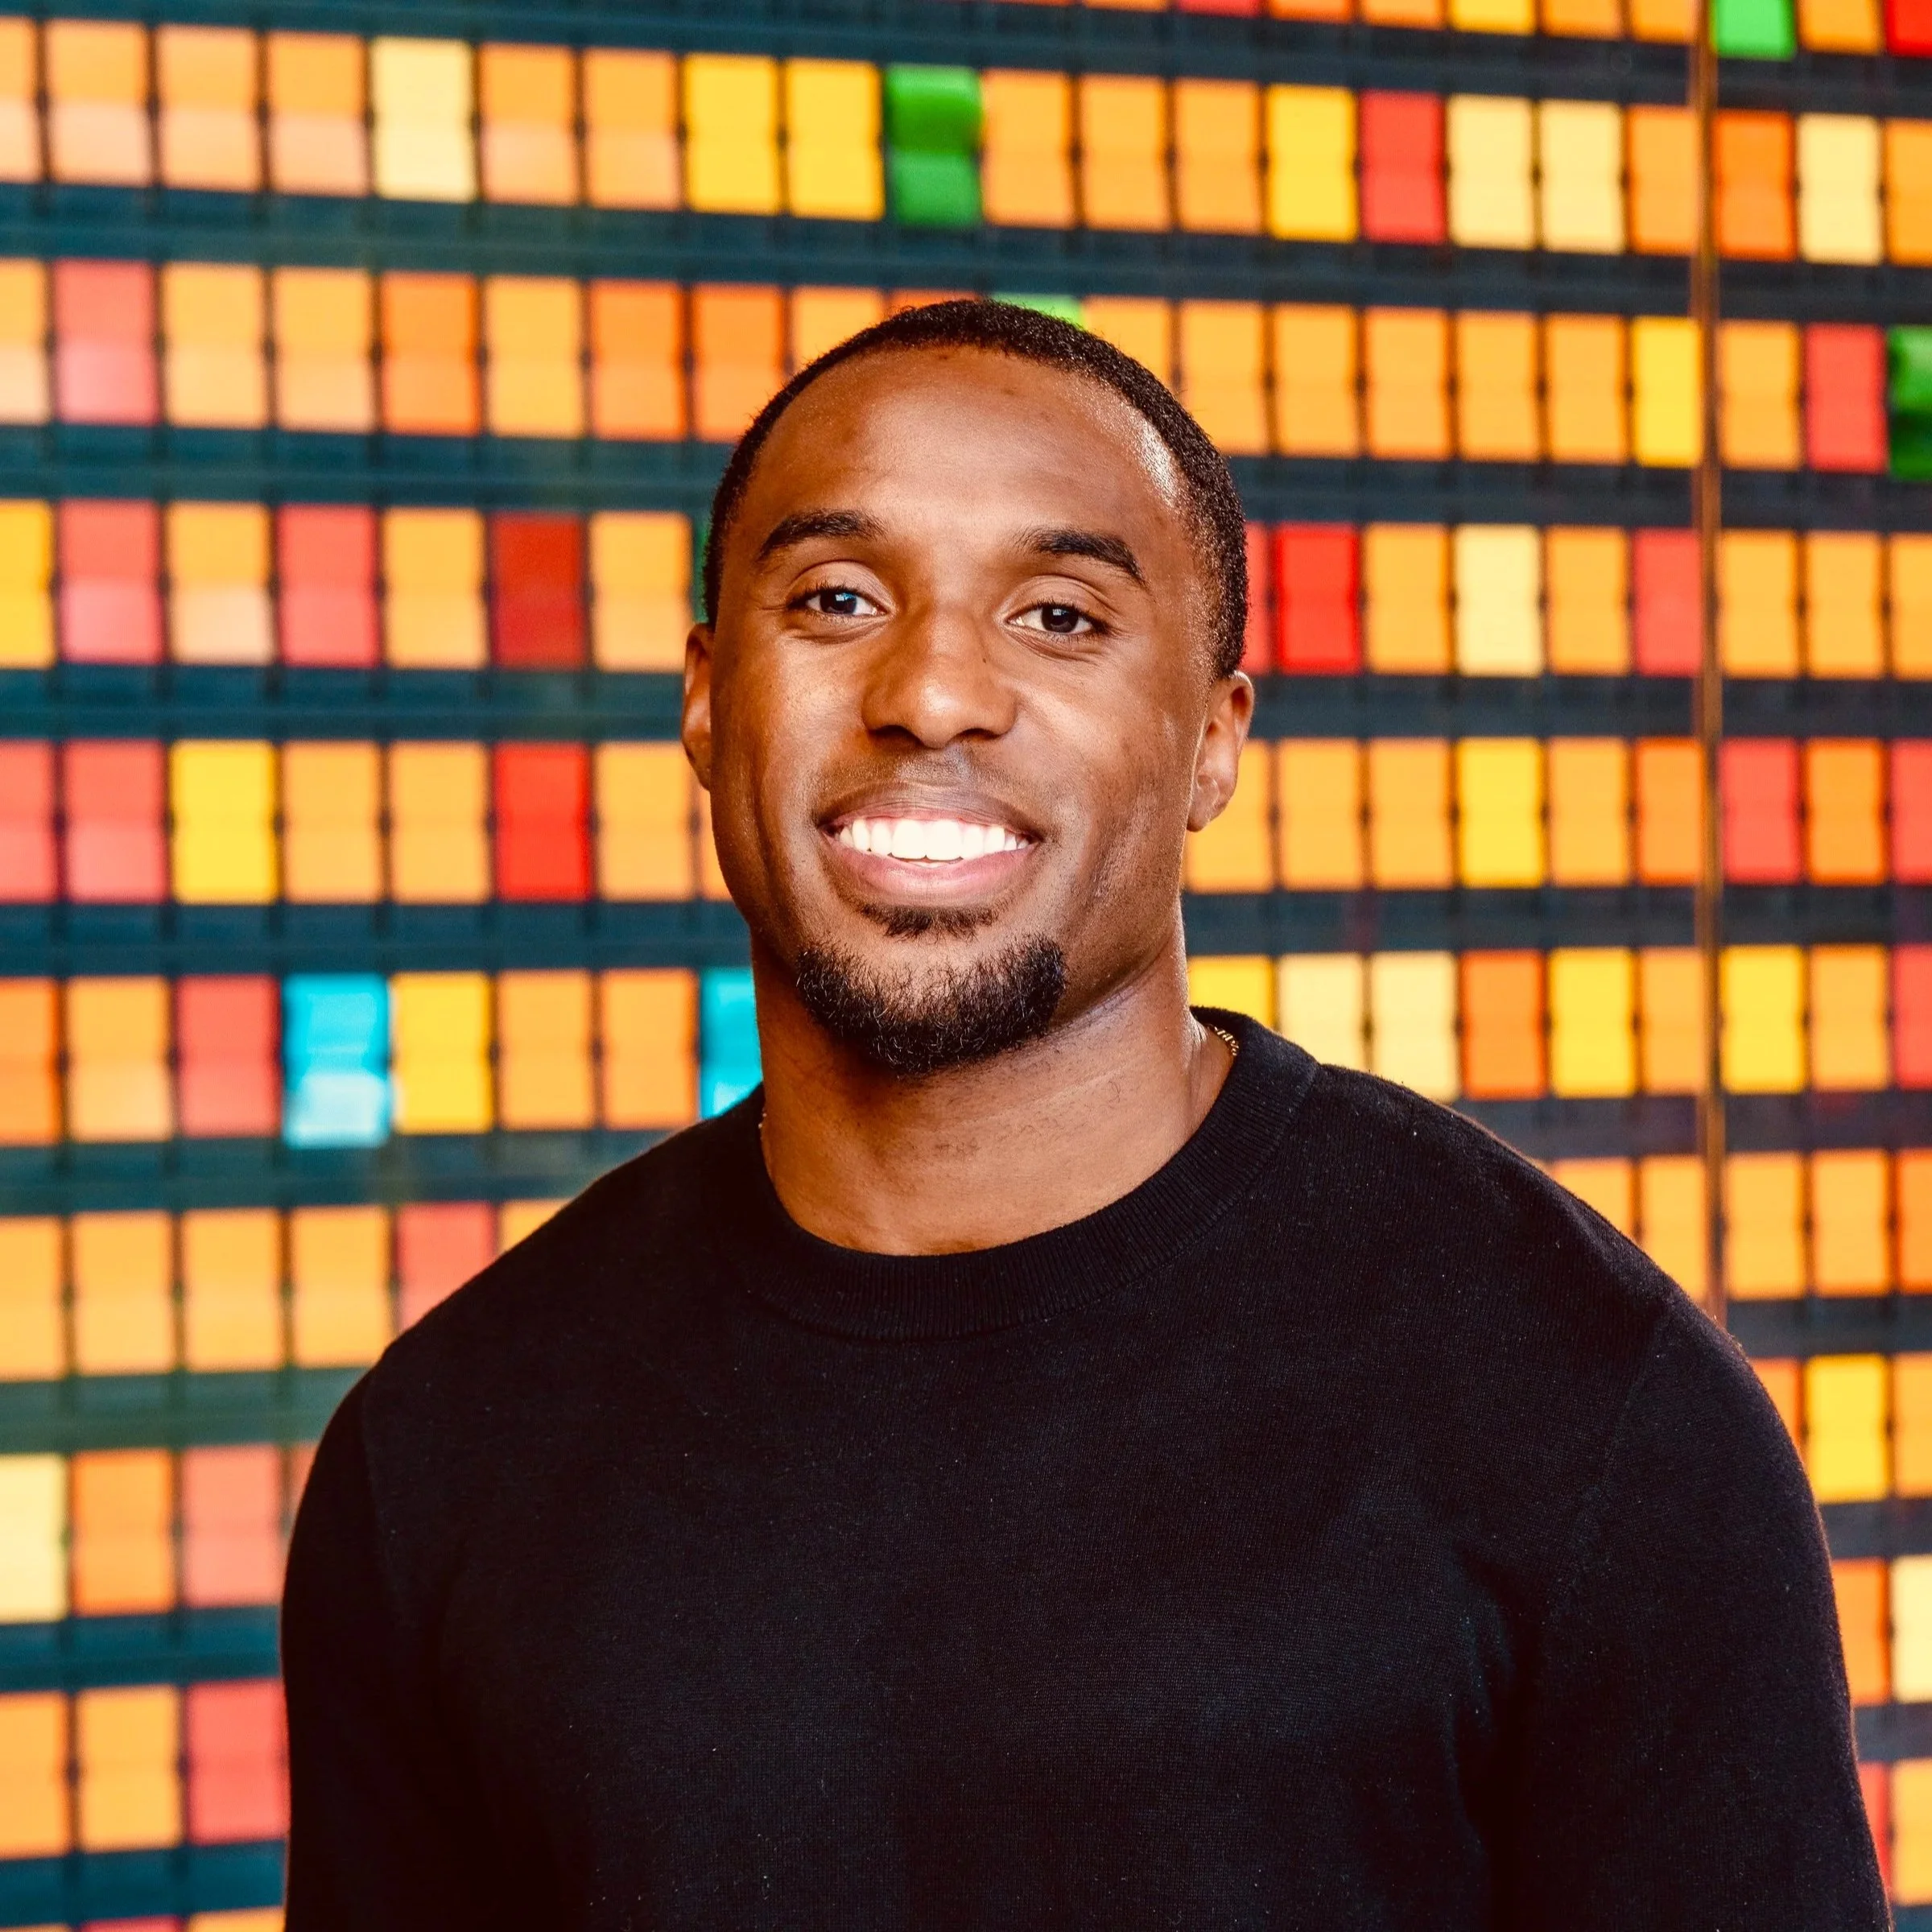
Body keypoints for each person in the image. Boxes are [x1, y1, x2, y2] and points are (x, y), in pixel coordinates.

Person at [283, 299, 1885, 1930]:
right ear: (707, 700)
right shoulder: (445, 1458)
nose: (934, 693)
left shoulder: (1591, 1416)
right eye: (838, 600)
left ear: (1211, 740)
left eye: (1058, 617)